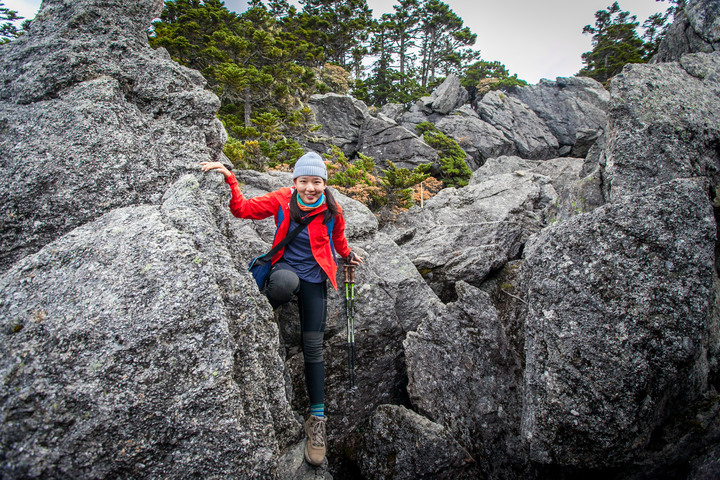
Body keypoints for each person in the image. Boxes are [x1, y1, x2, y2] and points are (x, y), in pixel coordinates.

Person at [200, 151, 363, 467]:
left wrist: (348, 254)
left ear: (324, 183)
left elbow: (338, 241)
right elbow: (242, 210)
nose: (310, 188)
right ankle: (259, 320)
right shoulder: (283, 198)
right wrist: (229, 177)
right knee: (283, 284)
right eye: (304, 181)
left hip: (316, 277)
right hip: (286, 268)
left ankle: (317, 420)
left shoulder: (333, 209)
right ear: (295, 181)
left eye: (316, 182)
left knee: (313, 348)